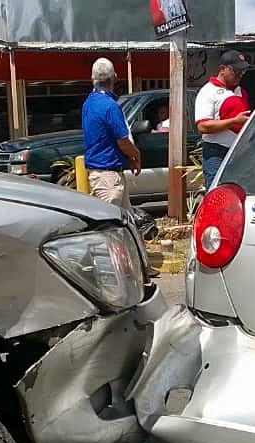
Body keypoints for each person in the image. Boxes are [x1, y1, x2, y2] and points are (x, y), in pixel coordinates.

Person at [82, 58, 158, 279]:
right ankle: (106, 273)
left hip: (104, 173)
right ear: (115, 78)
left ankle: (139, 266)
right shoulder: (110, 106)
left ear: (92, 79)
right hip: (108, 176)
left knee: (128, 224)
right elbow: (123, 141)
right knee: (107, 228)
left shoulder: (90, 102)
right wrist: (135, 155)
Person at [194, 49, 252, 189]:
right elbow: (203, 126)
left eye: (242, 72)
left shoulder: (241, 92)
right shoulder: (208, 92)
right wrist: (233, 121)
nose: (240, 75)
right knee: (218, 191)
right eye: (236, 71)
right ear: (222, 69)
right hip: (217, 152)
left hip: (239, 151)